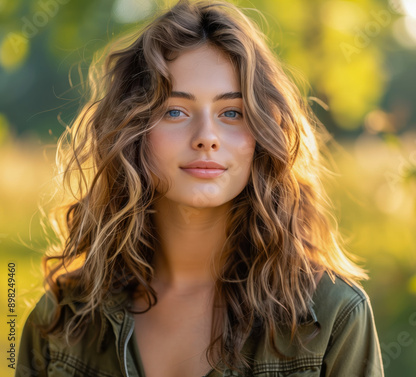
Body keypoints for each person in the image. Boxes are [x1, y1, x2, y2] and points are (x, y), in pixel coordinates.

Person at [16, 0, 384, 376]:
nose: (206, 137)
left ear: (262, 134)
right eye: (175, 111)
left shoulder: (333, 316)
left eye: (232, 113)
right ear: (132, 132)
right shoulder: (62, 320)